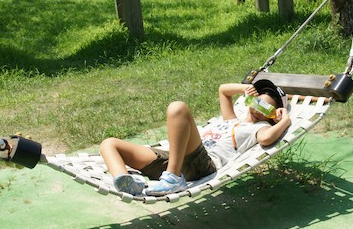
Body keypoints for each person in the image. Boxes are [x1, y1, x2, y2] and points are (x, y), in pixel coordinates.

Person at [100, 79, 291, 197]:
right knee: (109, 144)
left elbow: (266, 139)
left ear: (273, 114)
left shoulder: (259, 128)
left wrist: (284, 120)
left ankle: (173, 179)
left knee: (178, 108)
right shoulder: (231, 118)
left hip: (201, 164)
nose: (258, 109)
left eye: (266, 108)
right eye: (257, 102)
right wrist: (246, 89)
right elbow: (223, 90)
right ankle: (126, 183)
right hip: (176, 158)